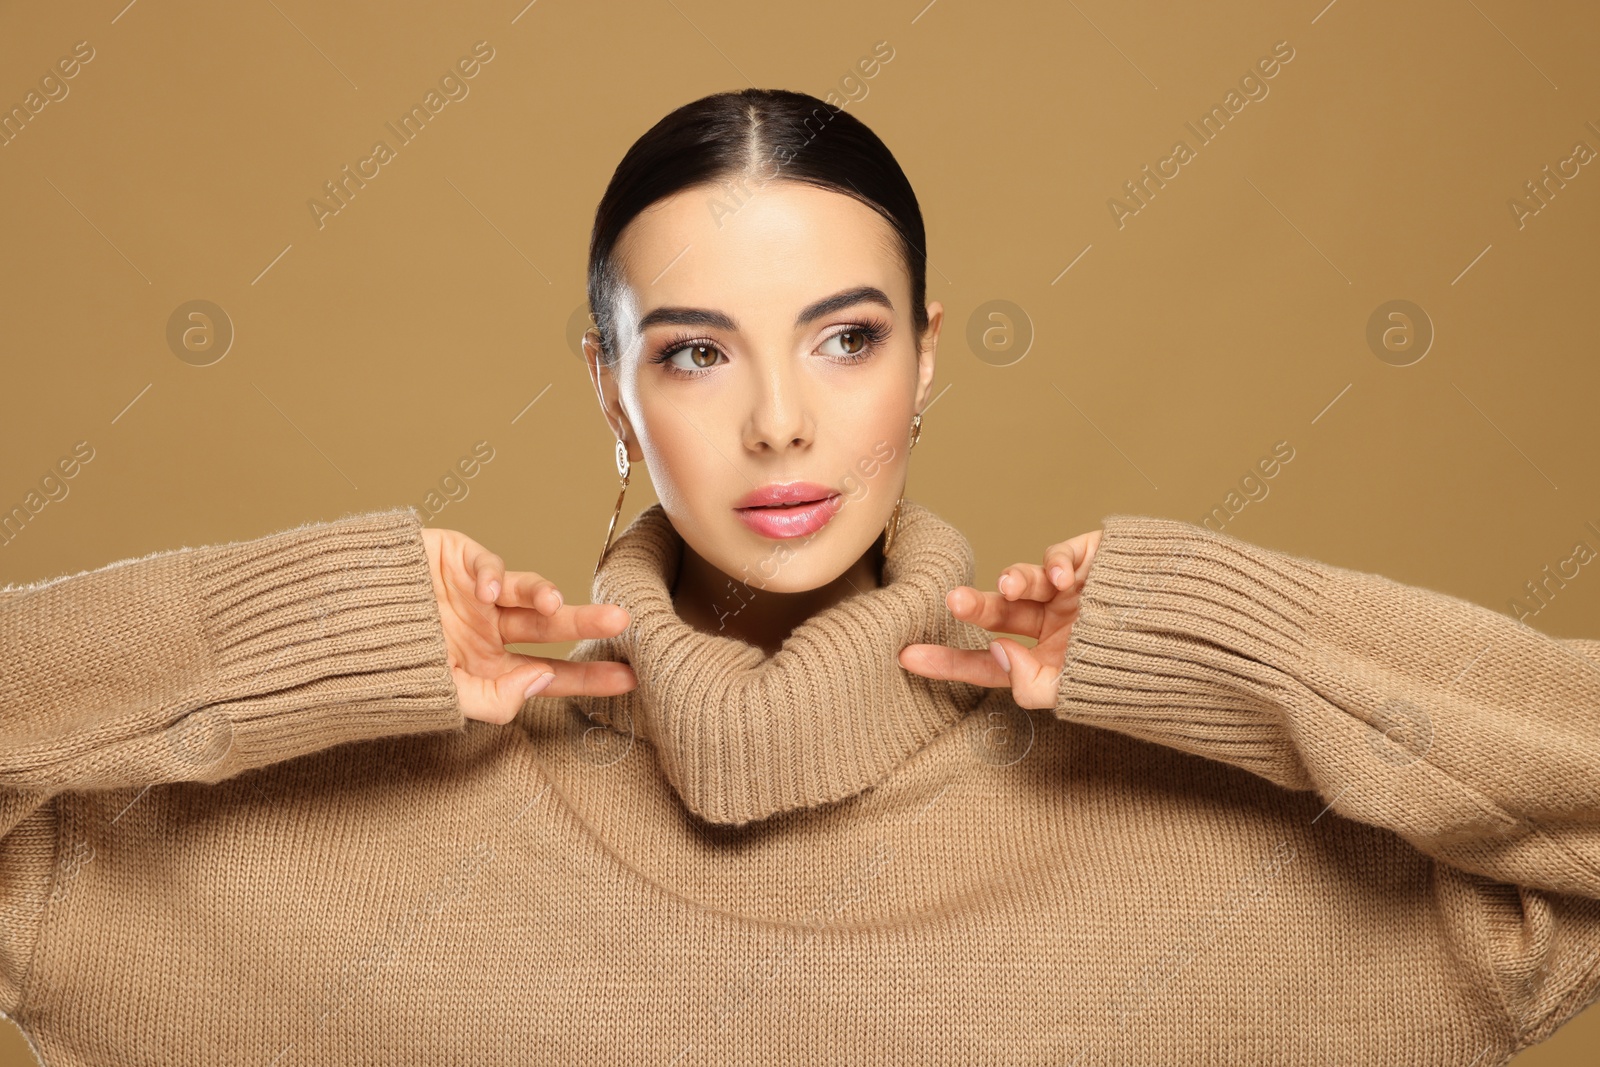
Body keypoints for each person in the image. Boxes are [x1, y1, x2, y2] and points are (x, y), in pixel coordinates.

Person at [2, 88, 1598, 1066]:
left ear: (924, 370)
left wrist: (1227, 642)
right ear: (611, 392)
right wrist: (306, 631)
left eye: (846, 338)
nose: (780, 421)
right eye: (696, 355)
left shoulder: (1209, 860)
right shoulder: (343, 853)